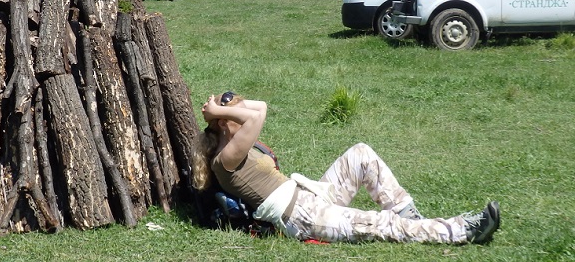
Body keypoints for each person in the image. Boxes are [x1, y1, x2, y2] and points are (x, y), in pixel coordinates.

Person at [192, 92, 501, 245]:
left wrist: (227, 104)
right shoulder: (225, 158)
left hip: (311, 196)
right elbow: (257, 117)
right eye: (235, 112)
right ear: (223, 123)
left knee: (361, 154)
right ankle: (464, 231)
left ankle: (413, 220)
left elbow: (259, 108)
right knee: (380, 224)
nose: (243, 112)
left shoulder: (234, 145)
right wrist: (219, 109)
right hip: (303, 217)